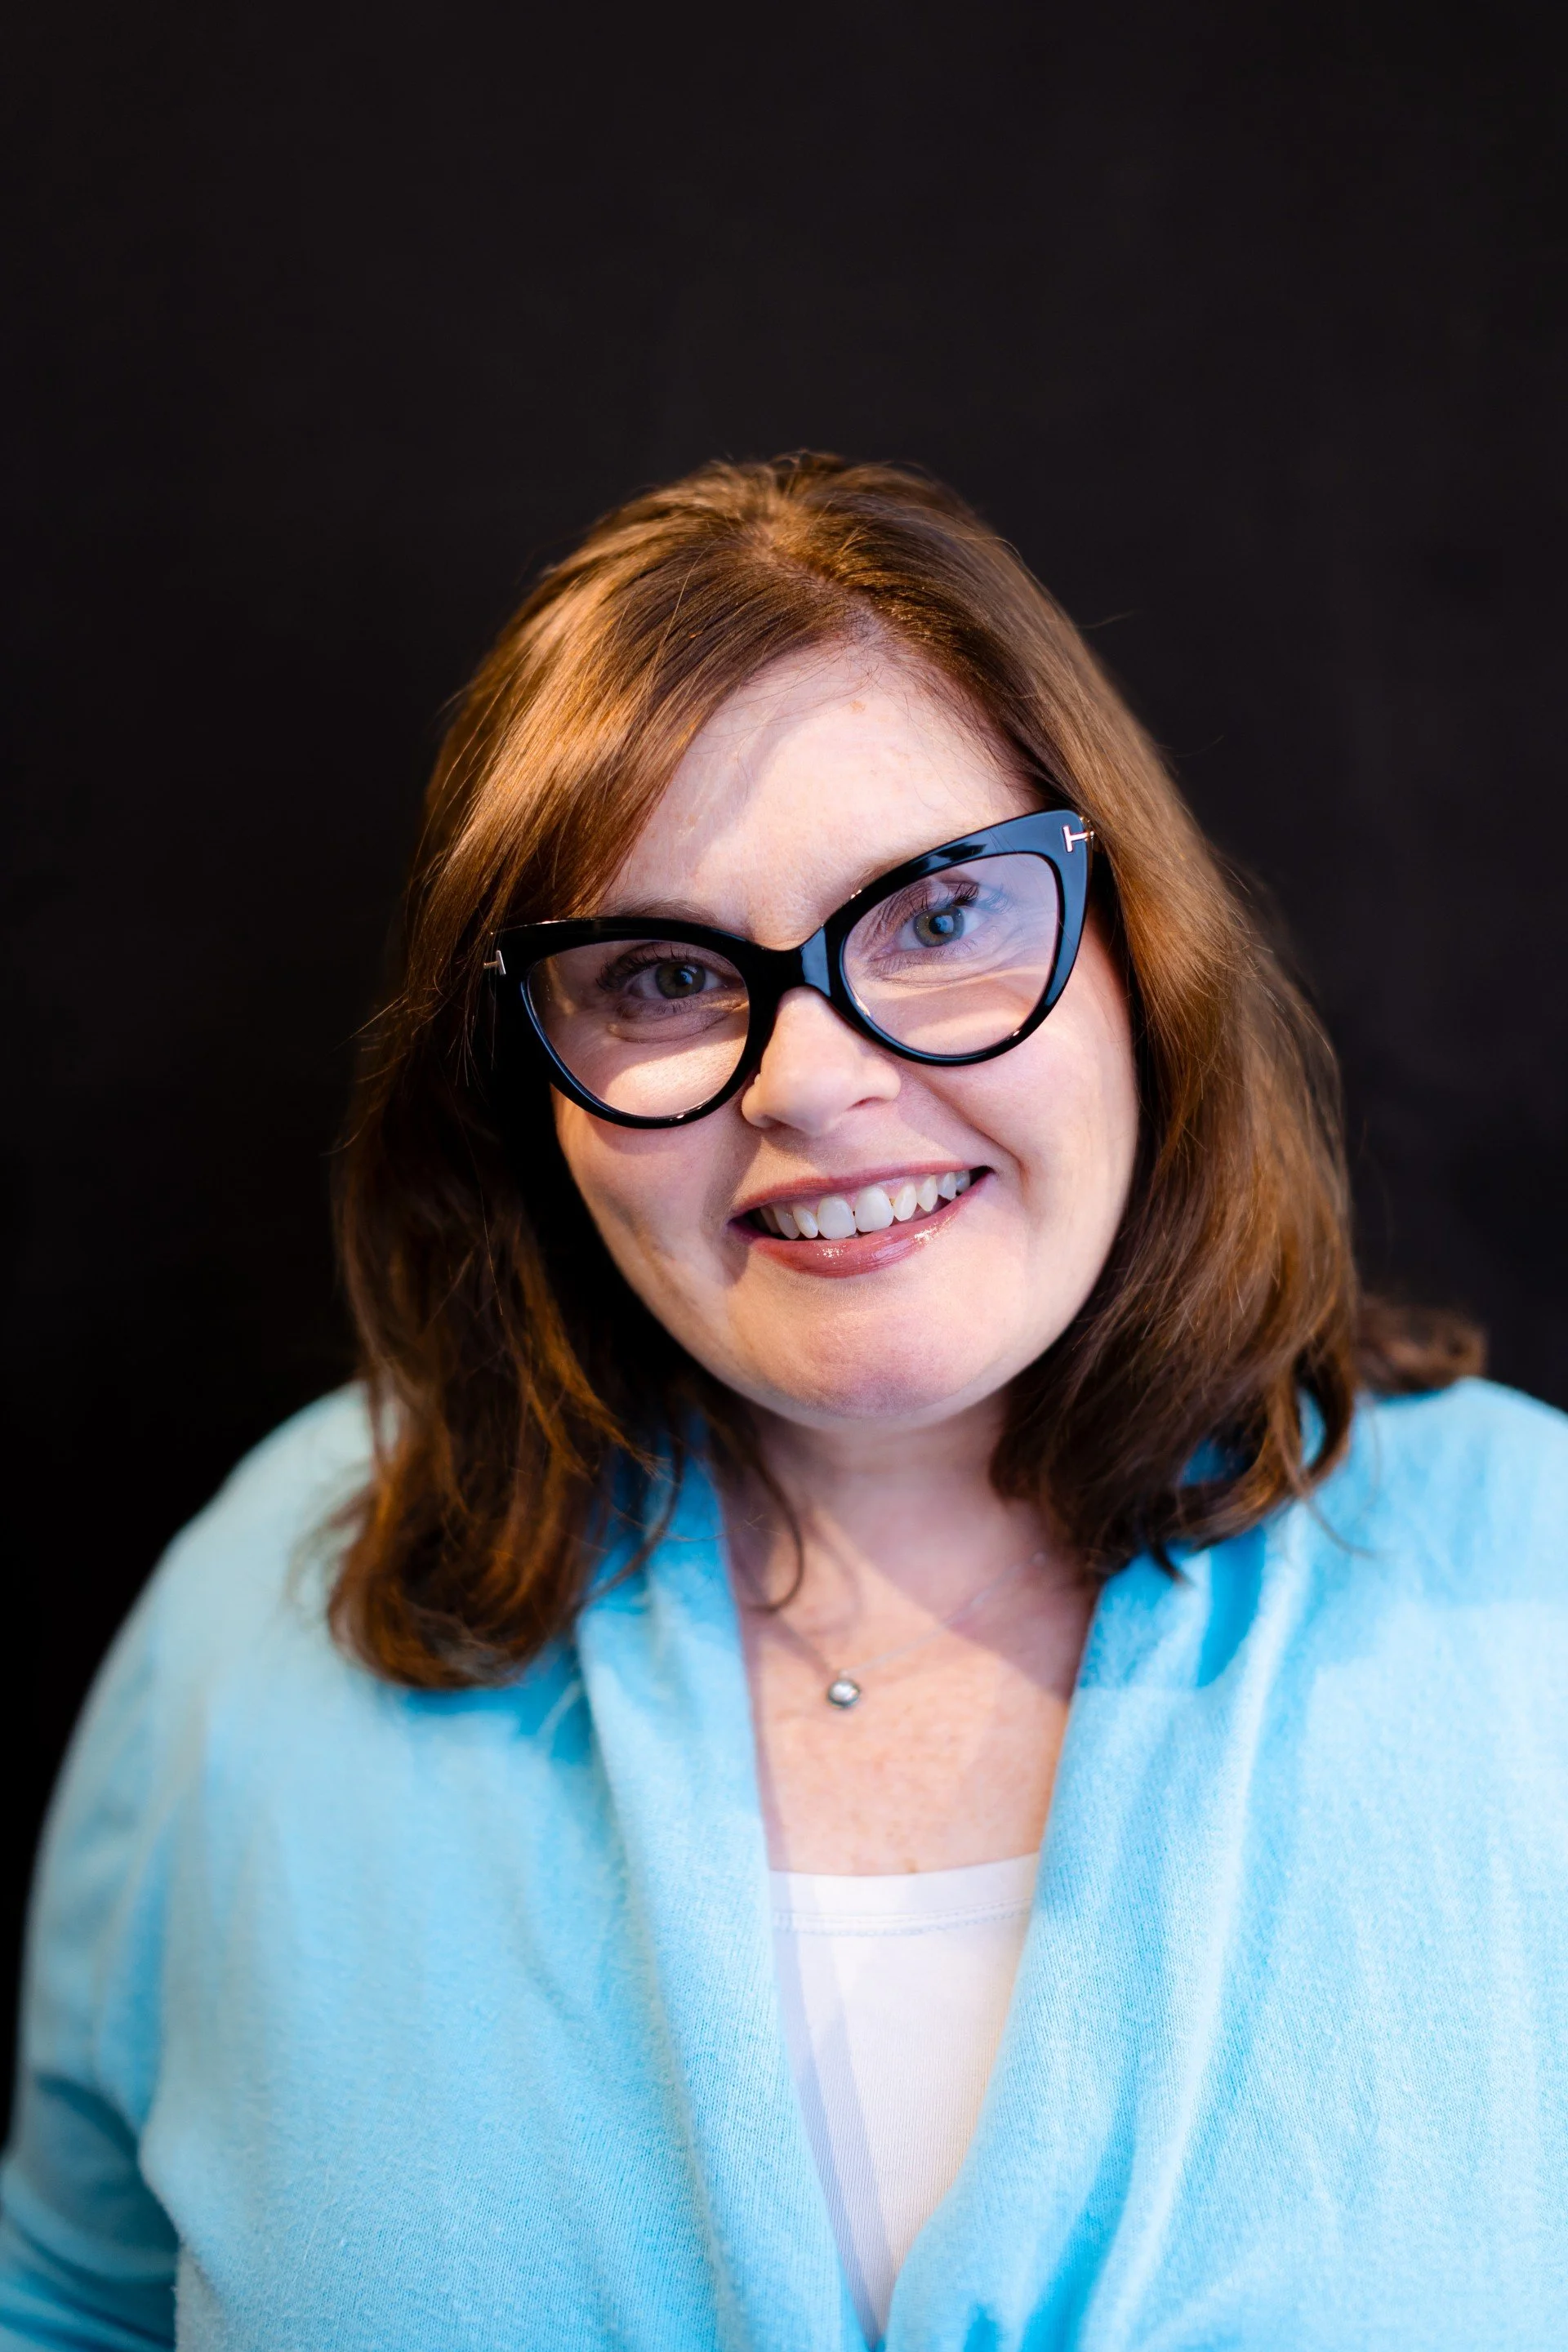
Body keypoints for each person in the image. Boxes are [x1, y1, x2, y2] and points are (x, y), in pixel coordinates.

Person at [3, 455, 1566, 2352]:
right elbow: (67, 2309)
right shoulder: (269, 1599)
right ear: (533, 1092)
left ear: (1136, 948)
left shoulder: (1532, 1584)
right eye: (661, 974)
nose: (810, 1084)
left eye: (931, 917)